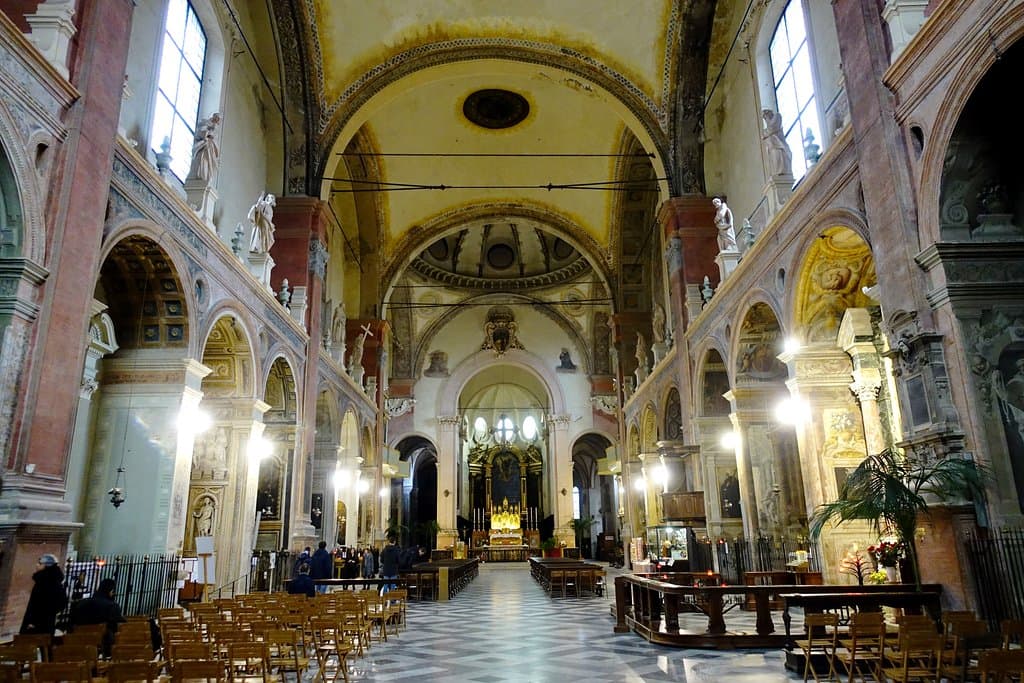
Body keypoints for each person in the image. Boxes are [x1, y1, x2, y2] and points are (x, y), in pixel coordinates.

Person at [69, 578, 124, 656]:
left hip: (80, 642)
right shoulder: (112, 606)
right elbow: (118, 625)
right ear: (111, 591)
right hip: (103, 645)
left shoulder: (81, 604)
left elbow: (72, 623)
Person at [20, 554, 68, 635]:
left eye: (40, 563)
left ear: (46, 566)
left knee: (29, 643)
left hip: (35, 623)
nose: (37, 565)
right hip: (48, 622)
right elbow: (62, 603)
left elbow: (35, 604)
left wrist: (32, 621)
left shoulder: (42, 581)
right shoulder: (57, 582)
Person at [186, 112, 221, 182]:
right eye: (217, 119)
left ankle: (205, 177)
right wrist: (208, 130)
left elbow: (214, 138)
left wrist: (212, 137)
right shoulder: (205, 122)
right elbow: (200, 132)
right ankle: (200, 176)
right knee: (201, 162)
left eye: (218, 121)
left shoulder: (215, 127)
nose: (217, 122)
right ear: (214, 117)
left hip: (210, 148)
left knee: (207, 164)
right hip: (202, 146)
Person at [762, 109, 793, 177]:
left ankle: (780, 172)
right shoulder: (768, 125)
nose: (765, 118)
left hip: (780, 147)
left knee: (779, 162)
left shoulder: (777, 116)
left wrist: (764, 133)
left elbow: (772, 129)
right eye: (764, 117)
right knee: (775, 165)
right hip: (773, 148)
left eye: (766, 115)